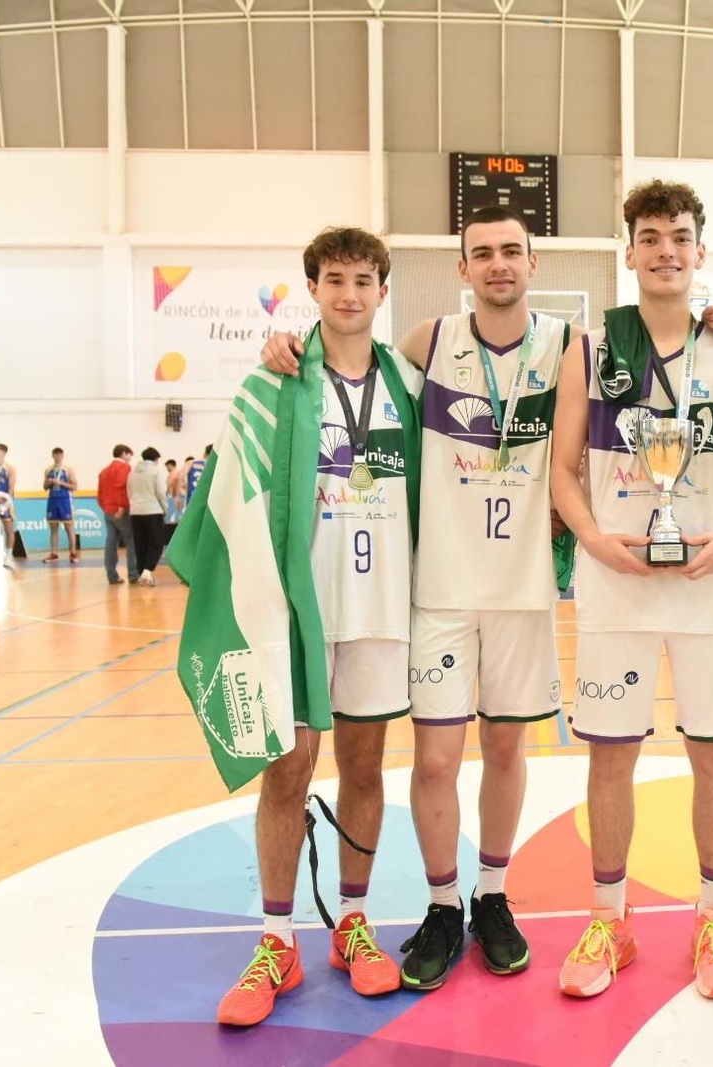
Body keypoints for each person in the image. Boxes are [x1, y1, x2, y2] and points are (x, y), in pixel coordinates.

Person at [261, 207, 713, 991]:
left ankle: (492, 894)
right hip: (439, 591)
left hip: (524, 590)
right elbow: (348, 360)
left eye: (511, 251)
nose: (497, 265)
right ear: (461, 269)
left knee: (510, 749)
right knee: (437, 758)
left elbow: (675, 341)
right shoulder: (425, 343)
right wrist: (287, 341)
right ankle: (443, 903)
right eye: (481, 253)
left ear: (534, 263)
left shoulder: (572, 346)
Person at [175, 226, 422, 1028]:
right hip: (296, 610)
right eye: (335, 279)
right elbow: (229, 496)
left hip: (382, 609)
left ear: (383, 292)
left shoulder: (409, 386)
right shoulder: (271, 384)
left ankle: (352, 922)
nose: (350, 293)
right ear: (312, 288)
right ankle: (277, 937)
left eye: (364, 280)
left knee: (365, 766)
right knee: (287, 772)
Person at [548, 180, 713, 1001]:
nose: (666, 249)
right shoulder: (592, 346)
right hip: (615, 584)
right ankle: (611, 917)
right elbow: (565, 471)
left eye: (680, 236)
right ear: (629, 252)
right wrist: (595, 538)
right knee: (612, 753)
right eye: (650, 236)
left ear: (700, 253)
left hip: (709, 586)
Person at [128, 446, 168, 586]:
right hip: (153, 510)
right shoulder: (156, 471)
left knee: (141, 543)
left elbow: (129, 491)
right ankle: (148, 570)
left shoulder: (132, 472)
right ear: (156, 459)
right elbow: (161, 491)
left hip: (135, 511)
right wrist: (165, 507)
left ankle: (142, 573)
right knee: (156, 542)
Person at [96, 445, 136, 584]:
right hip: (121, 510)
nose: (130, 458)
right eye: (130, 455)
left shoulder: (104, 471)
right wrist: (122, 506)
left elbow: (99, 494)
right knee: (130, 541)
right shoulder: (124, 468)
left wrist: (106, 507)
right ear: (124, 453)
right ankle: (133, 574)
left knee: (110, 543)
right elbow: (121, 486)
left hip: (107, 510)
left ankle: (112, 575)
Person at [43, 447, 79, 564]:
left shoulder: (68, 470)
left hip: (65, 500)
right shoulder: (49, 470)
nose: (57, 457)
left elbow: (74, 487)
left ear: (62, 456)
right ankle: (54, 553)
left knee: (69, 527)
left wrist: (61, 483)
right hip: (53, 500)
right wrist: (48, 483)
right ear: (52, 456)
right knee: (53, 528)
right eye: (55, 455)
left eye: (59, 455)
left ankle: (73, 553)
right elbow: (44, 487)